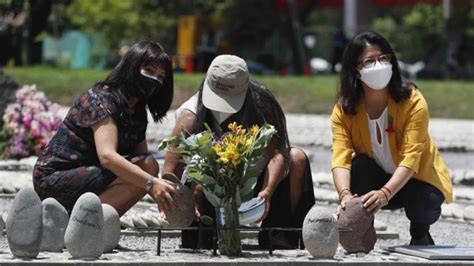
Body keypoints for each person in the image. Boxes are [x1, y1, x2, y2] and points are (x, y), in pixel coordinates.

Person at [162, 54, 315, 249]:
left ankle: (279, 239)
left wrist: (267, 192)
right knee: (203, 243)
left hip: (256, 180)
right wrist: (186, 199)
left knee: (297, 157)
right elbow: (169, 171)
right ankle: (207, 235)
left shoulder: (263, 105)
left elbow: (278, 154)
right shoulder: (190, 116)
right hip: (206, 188)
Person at [331, 31, 453, 245]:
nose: (378, 65)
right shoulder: (344, 109)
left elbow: (412, 158)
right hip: (377, 177)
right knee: (358, 167)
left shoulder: (413, 101)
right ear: (355, 70)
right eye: (369, 61)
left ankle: (420, 233)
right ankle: (361, 232)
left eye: (383, 58)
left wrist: (385, 193)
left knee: (426, 201)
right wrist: (345, 196)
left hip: (415, 180)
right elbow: (340, 156)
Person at [33, 40, 180, 216]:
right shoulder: (102, 99)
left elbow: (143, 159)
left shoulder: (137, 110)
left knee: (148, 166)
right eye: (148, 71)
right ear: (131, 67)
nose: (154, 80)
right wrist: (151, 183)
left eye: (161, 77)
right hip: (55, 177)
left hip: (91, 175)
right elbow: (107, 157)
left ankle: (90, 224)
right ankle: (83, 222)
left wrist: (168, 199)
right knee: (146, 172)